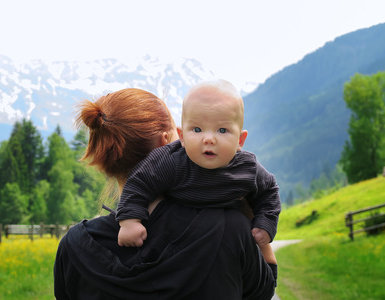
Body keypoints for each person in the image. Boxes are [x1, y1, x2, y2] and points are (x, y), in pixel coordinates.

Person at [54, 88, 277, 299]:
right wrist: (254, 224)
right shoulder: (230, 228)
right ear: (164, 144)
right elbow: (263, 291)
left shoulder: (74, 246)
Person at [116, 80, 281, 264]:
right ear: (182, 136)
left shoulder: (247, 167)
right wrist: (130, 221)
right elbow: (139, 182)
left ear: (240, 140)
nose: (209, 139)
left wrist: (266, 222)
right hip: (179, 242)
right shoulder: (171, 161)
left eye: (222, 130)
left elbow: (269, 191)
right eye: (197, 129)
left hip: (226, 246)